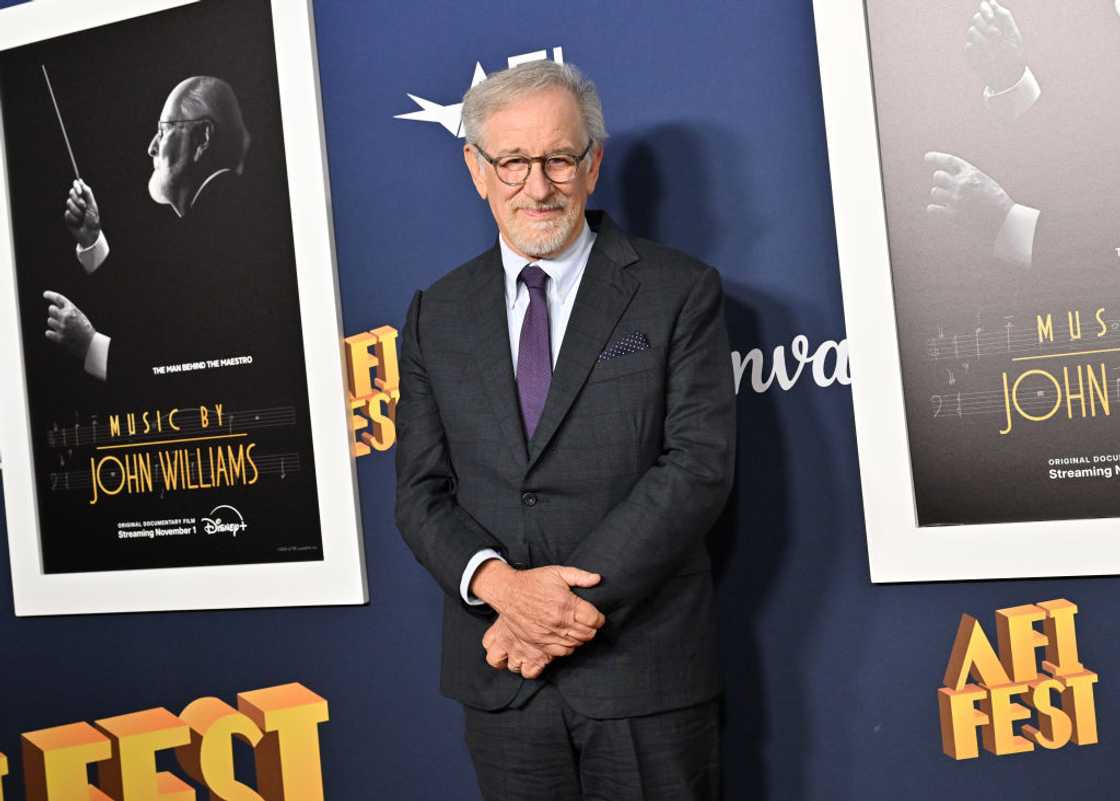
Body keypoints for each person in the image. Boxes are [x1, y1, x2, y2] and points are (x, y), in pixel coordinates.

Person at [394, 60, 736, 801]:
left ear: (593, 164)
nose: (538, 186)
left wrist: (554, 611)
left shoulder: (678, 293)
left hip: (643, 674)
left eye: (558, 158)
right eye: (513, 162)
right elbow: (420, 494)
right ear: (476, 169)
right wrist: (502, 589)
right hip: (502, 682)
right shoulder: (434, 315)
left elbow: (696, 467)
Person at [44, 76, 260, 385]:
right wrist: (92, 239)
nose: (151, 147)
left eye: (164, 130)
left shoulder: (225, 229)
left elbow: (186, 363)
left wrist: (90, 345)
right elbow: (148, 311)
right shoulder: (212, 218)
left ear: (202, 138)